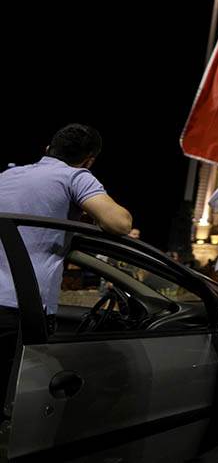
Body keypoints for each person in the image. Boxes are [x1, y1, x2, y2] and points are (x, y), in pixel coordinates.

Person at [0, 124, 133, 406]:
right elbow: (119, 223)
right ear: (89, 160)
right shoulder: (75, 177)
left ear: (47, 150)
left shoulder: (8, 175)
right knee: (16, 403)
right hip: (22, 309)